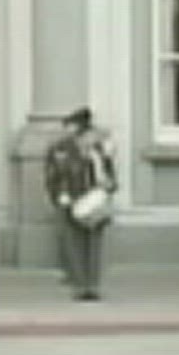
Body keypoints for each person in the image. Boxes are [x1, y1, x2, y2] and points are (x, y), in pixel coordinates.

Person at [50, 119, 118, 301]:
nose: (93, 140)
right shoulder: (64, 152)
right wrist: (60, 196)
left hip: (96, 203)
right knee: (75, 245)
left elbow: (111, 177)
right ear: (81, 137)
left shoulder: (100, 154)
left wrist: (109, 183)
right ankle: (80, 286)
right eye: (90, 136)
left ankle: (93, 286)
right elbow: (56, 177)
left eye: (95, 137)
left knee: (95, 246)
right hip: (74, 201)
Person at [46, 109, 88, 287]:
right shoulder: (60, 147)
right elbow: (52, 173)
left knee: (83, 237)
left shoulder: (91, 146)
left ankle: (82, 274)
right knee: (68, 237)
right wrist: (57, 194)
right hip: (67, 195)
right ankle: (72, 272)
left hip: (85, 197)